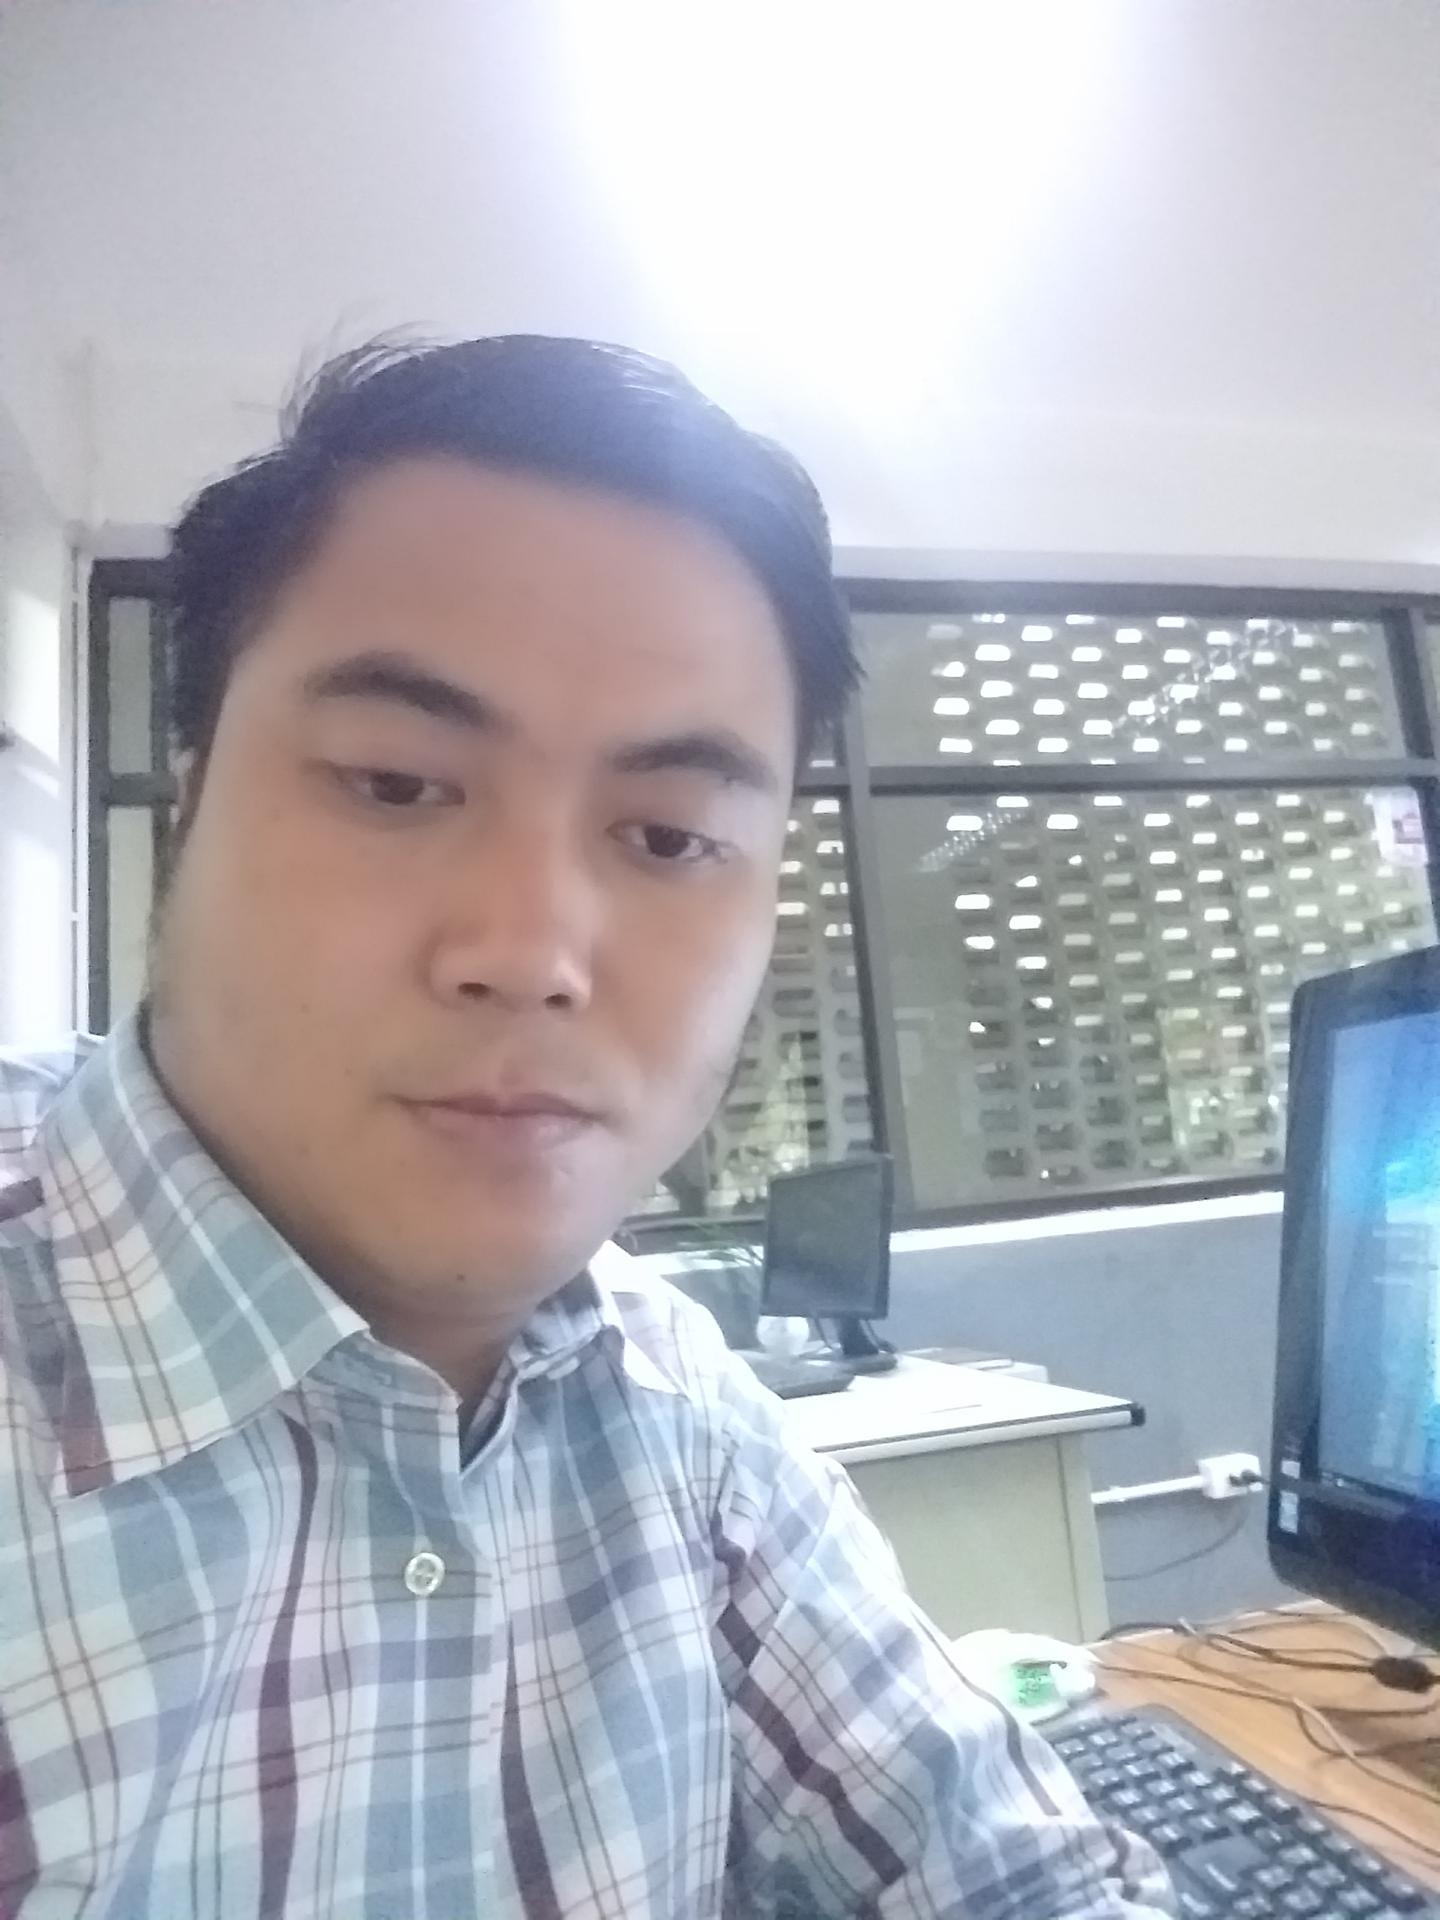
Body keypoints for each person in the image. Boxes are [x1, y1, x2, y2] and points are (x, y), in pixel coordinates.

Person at [0, 337, 1171, 1918]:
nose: (534, 951)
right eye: (397, 783)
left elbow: (1014, 1877)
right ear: (190, 802)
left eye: (671, 837)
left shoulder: (665, 1399)